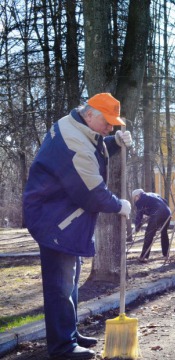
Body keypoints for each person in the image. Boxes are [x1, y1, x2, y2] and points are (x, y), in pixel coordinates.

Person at [22, 93, 133, 360]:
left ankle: (69, 333)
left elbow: (93, 145)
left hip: (61, 214)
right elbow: (92, 193)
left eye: (114, 125)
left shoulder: (74, 124)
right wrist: (119, 205)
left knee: (70, 280)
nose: (110, 127)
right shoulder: (74, 143)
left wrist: (114, 142)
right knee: (60, 284)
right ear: (91, 114)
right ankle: (62, 346)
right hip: (54, 219)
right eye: (108, 123)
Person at [132, 189, 172, 262]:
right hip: (168, 212)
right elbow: (164, 201)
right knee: (164, 233)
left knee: (149, 234)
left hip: (157, 213)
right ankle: (166, 254)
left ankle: (144, 256)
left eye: (135, 198)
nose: (135, 200)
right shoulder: (152, 194)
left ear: (137, 196)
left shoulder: (141, 200)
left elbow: (139, 215)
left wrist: (137, 227)